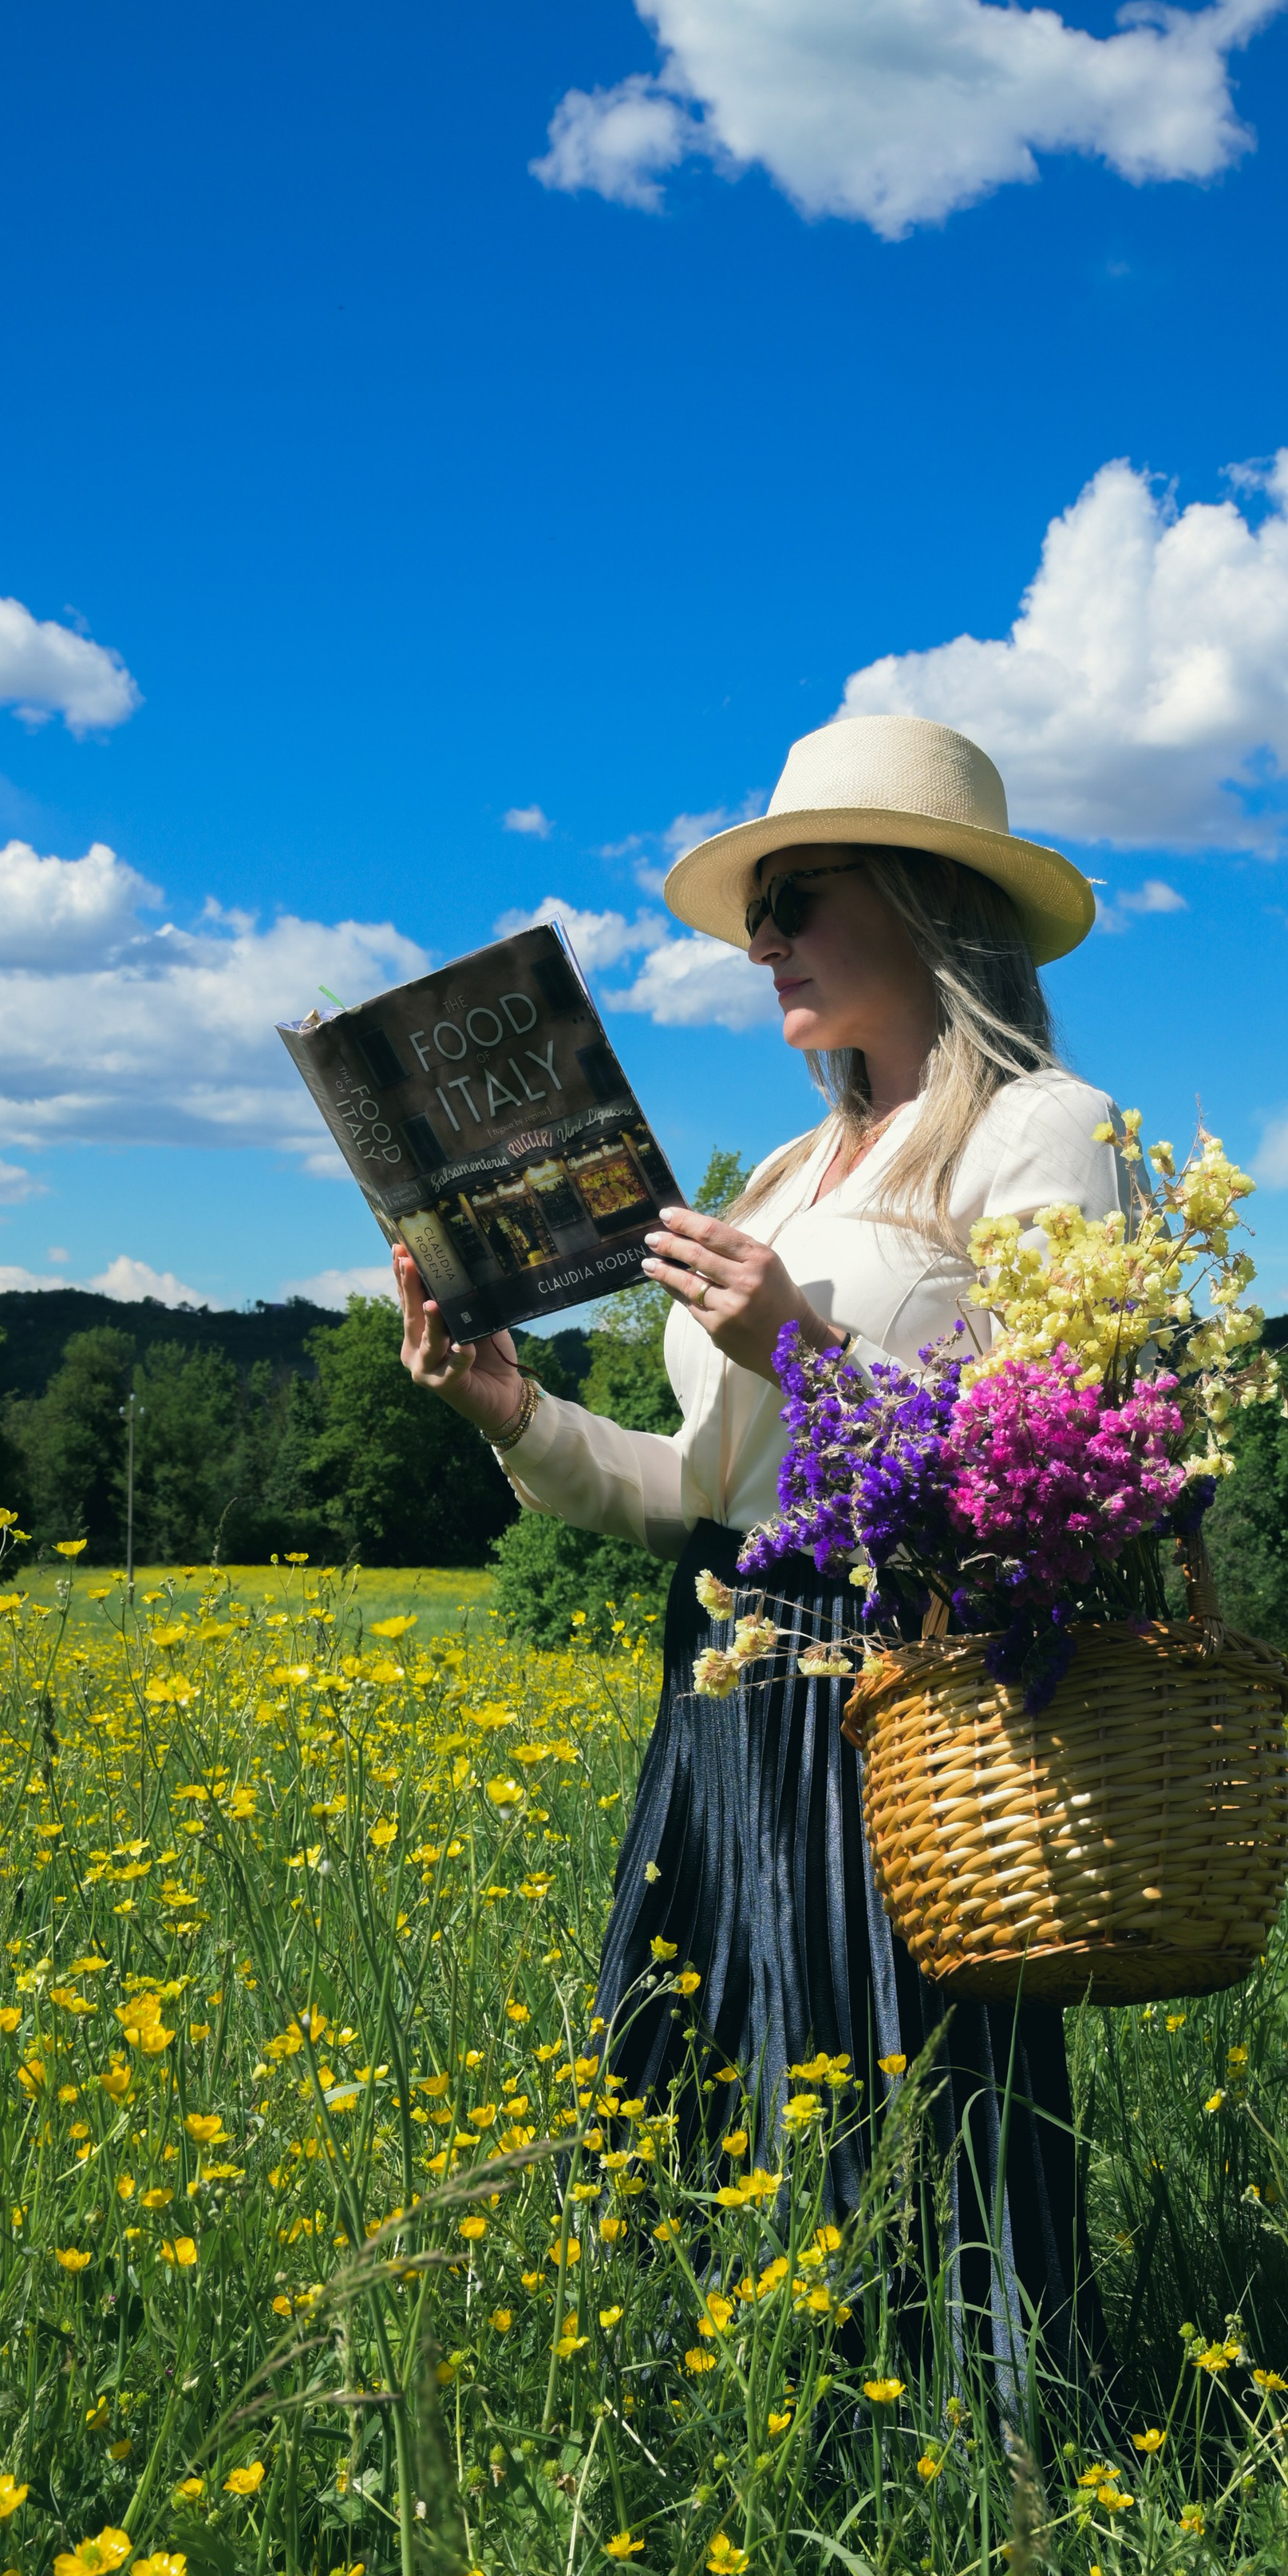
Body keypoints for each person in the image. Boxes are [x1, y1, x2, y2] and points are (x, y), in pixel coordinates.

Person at [396, 714, 1131, 2422]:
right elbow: (696, 1497)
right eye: (756, 912)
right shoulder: (791, 1170)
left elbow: (1048, 1482)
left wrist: (804, 1342)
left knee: (911, 2094)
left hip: (903, 1681)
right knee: (697, 2079)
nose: (763, 941)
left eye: (794, 896)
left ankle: (984, 2469)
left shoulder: (1042, 1131)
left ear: (925, 901)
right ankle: (724, 2437)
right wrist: (514, 1413)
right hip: (719, 1667)